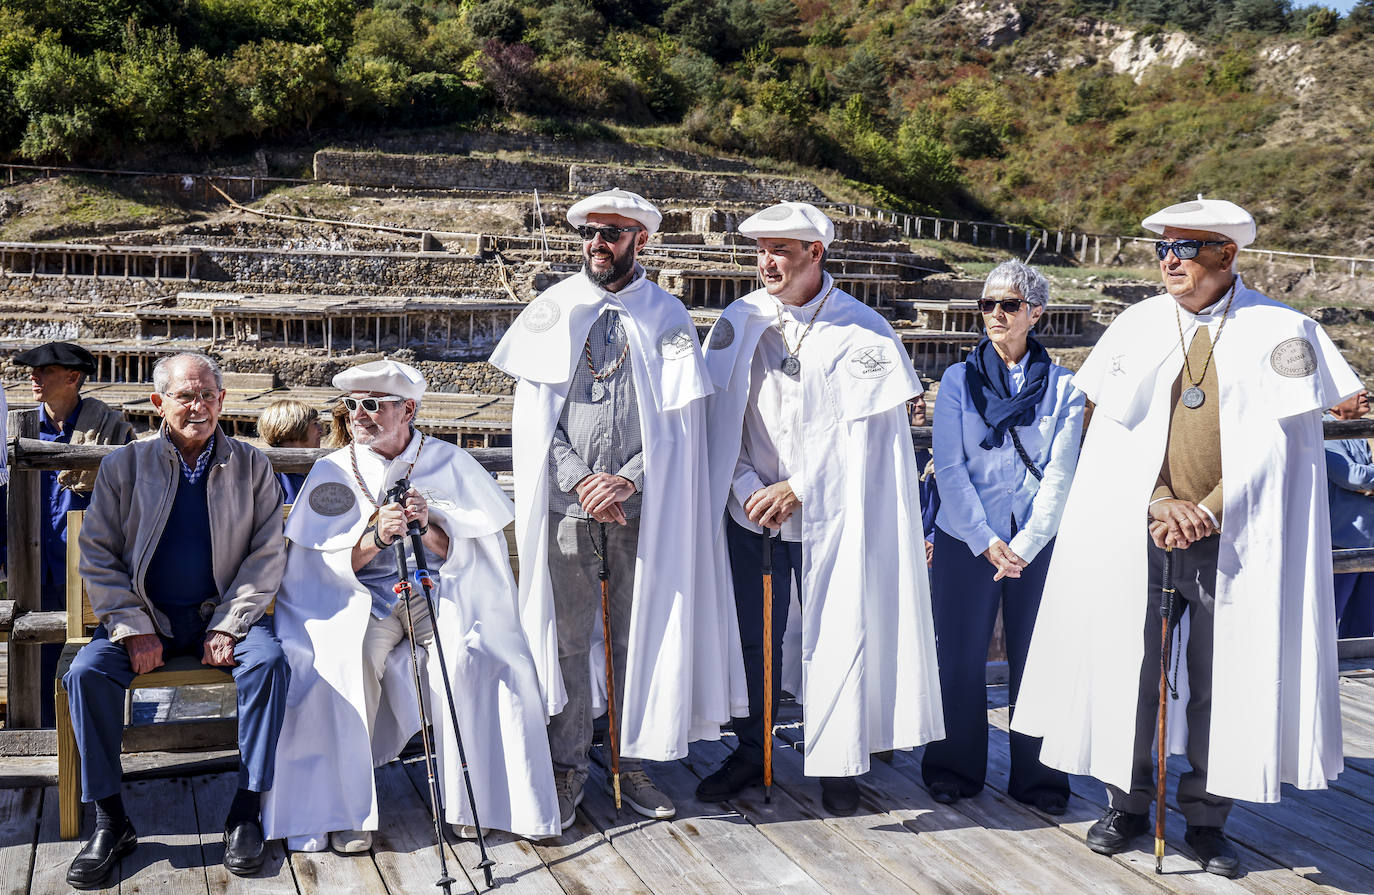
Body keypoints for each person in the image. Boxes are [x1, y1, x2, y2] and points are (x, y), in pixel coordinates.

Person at [1013, 199, 1361, 877]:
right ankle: (1127, 802)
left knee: (1224, 675)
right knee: (1128, 667)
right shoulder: (1136, 324)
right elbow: (1109, 437)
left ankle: (1206, 816)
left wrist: (1208, 506)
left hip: (1237, 533)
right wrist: (1157, 499)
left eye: (1185, 248)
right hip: (1138, 525)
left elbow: (1282, 446)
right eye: (1162, 250)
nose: (1168, 261)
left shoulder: (1285, 330)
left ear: (1227, 255)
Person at [489, 188, 743, 830]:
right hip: (568, 509)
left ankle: (633, 762)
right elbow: (535, 418)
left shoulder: (669, 317)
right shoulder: (553, 309)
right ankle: (567, 764)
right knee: (569, 641)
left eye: (612, 233)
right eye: (591, 233)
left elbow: (682, 424)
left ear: (641, 241)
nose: (597, 244)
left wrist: (626, 481)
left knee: (638, 637)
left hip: (643, 511)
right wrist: (581, 482)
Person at [694, 201, 944, 816]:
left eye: (782, 250)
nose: (768, 262)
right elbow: (720, 421)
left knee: (838, 635)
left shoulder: (864, 330)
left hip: (834, 515)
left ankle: (838, 759)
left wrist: (800, 487)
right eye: (762, 250)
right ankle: (755, 750)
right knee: (757, 639)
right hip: (751, 510)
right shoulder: (740, 318)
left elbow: (871, 438)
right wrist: (751, 485)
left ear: (816, 254)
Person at [263, 360, 559, 850]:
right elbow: (323, 566)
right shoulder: (333, 470)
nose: (359, 415)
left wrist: (431, 528)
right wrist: (377, 537)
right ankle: (345, 809)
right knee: (337, 664)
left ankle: (482, 800)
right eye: (352, 405)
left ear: (408, 410)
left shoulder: (450, 461)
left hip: (437, 595)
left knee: (479, 655)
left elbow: (472, 553)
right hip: (364, 600)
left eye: (372, 405)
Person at [64, 353, 288, 887]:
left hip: (223, 615)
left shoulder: (253, 465)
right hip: (146, 618)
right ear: (158, 403)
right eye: (186, 396)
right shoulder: (125, 465)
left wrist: (231, 624)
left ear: (223, 401)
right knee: (85, 674)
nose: (200, 406)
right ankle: (111, 819)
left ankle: (246, 809)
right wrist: (133, 626)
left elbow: (267, 555)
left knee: (270, 663)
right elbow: (97, 555)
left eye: (209, 395)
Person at [921, 260, 1084, 815]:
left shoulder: (1065, 387)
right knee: (959, 658)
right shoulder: (957, 381)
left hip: (1036, 542)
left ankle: (1040, 779)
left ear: (1035, 313)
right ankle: (952, 767)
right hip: (968, 539)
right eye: (987, 304)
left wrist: (1029, 542)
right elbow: (949, 465)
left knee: (1038, 658)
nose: (995, 314)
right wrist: (985, 539)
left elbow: (1061, 473)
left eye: (1008, 305)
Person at [12, 341, 134, 727]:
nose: (33, 377)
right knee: (33, 659)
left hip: (91, 570)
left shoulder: (114, 433)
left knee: (98, 659)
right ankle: (41, 732)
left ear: (72, 377)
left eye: (44, 371)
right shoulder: (20, 431)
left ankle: (100, 735)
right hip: (33, 567)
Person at [1325, 388, 1374, 637]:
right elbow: (1351, 476)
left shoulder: (1362, 429)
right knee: (1326, 616)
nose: (1364, 392)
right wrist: (1364, 483)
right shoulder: (1323, 428)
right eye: (1353, 389)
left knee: (1364, 623)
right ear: (1332, 401)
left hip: (1367, 542)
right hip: (1338, 542)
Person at [257, 399, 322, 504]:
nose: (321, 430)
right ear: (296, 426)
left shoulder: (319, 468)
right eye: (315, 423)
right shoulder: (265, 473)